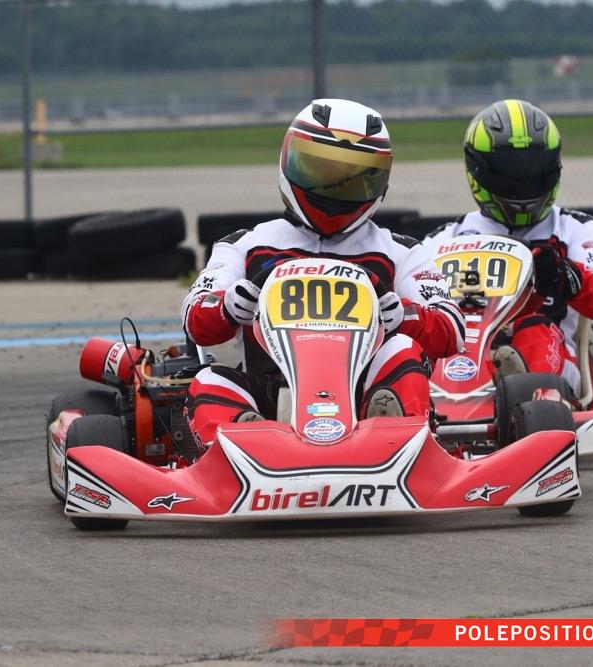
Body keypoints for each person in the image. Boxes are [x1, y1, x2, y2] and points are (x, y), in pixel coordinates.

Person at [181, 99, 464, 449]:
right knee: (209, 380)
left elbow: (453, 329)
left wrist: (405, 317)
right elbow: (195, 317)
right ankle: (246, 443)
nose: (333, 188)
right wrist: (225, 307)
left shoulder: (401, 251)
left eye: (350, 178)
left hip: (364, 392)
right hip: (268, 391)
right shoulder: (246, 244)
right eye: (320, 170)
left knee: (403, 350)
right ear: (290, 162)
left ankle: (391, 435)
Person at [424, 99, 593, 390]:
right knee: (423, 344)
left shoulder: (575, 228)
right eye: (510, 174)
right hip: (466, 353)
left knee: (534, 330)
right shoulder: (447, 240)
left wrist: (563, 273)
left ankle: (526, 393)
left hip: (557, 357)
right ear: (478, 170)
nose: (522, 182)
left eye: (533, 171)